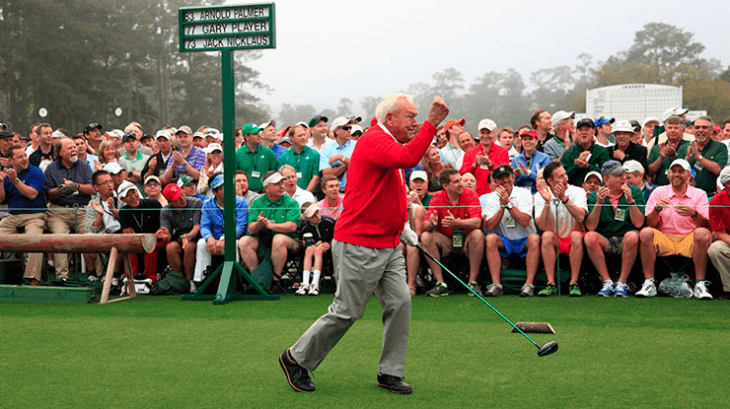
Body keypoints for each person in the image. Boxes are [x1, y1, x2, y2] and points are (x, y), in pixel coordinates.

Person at [279, 94, 448, 395]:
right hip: (359, 243)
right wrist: (432, 124)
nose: (415, 121)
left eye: (418, 117)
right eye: (410, 116)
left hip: (388, 242)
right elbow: (408, 158)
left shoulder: (386, 143)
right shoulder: (374, 139)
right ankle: (296, 358)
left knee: (400, 302)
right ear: (390, 119)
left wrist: (403, 225)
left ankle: (390, 372)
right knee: (347, 311)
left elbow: (392, 190)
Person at [636, 159, 712, 299]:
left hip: (689, 240)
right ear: (668, 174)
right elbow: (650, 224)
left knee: (702, 233)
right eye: (673, 171)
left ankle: (700, 284)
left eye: (681, 171)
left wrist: (694, 214)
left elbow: (706, 226)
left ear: (689, 175)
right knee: (646, 232)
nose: (676, 174)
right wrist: (657, 210)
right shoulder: (658, 192)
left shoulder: (699, 194)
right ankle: (649, 283)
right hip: (665, 239)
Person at [584, 161, 645, 297]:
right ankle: (607, 281)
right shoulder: (595, 196)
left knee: (632, 236)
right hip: (605, 238)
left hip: (626, 237)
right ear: (606, 180)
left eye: (624, 175)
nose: (623, 179)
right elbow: (591, 227)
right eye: (618, 176)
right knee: (590, 237)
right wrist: (599, 203)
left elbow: (639, 223)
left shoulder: (634, 192)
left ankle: (621, 282)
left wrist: (631, 202)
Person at [421, 169, 484, 297]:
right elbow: (425, 224)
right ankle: (440, 283)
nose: (461, 183)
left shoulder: (471, 194)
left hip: (467, 240)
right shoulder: (437, 198)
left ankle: (472, 282)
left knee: (477, 234)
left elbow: (477, 222)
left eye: (461, 180)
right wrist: (431, 223)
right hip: (447, 241)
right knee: (426, 236)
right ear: (445, 186)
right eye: (456, 181)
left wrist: (456, 223)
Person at [482, 165, 541, 297]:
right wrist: (502, 208)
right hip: (505, 240)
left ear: (513, 178)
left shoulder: (524, 193)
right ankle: (496, 284)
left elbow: (525, 221)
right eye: (500, 178)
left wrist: (508, 204)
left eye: (507, 176)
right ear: (495, 182)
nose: (504, 180)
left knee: (535, 239)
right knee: (490, 239)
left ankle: (529, 284)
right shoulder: (492, 198)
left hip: (525, 238)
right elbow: (490, 227)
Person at [44, 137, 95, 279]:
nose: (74, 150)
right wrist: (61, 190)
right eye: (70, 148)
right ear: (60, 153)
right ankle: (62, 276)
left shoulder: (85, 166)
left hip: (83, 210)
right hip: (59, 211)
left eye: (74, 147)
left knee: (89, 239)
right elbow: (48, 194)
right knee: (60, 239)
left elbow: (93, 189)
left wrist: (76, 186)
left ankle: (95, 274)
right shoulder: (51, 168)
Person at [240, 171, 301, 291]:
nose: (282, 186)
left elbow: (292, 226)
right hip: (264, 240)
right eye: (277, 183)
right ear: (267, 187)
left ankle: (275, 281)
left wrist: (270, 225)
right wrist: (259, 223)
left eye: (282, 182)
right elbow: (251, 229)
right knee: (244, 241)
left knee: (278, 239)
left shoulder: (291, 202)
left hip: (291, 242)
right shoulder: (257, 202)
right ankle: (258, 278)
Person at [534, 161, 588, 297]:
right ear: (550, 181)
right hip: (555, 238)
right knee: (546, 235)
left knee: (576, 235)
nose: (565, 179)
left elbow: (581, 217)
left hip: (573, 237)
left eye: (565, 175)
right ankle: (550, 283)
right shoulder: (541, 195)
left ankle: (574, 283)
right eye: (560, 177)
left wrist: (564, 198)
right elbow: (541, 225)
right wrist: (547, 202)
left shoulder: (578, 191)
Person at [0, 145, 48, 286]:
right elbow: (1, 200)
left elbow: (32, 194)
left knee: (34, 240)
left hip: (35, 215)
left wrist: (15, 180)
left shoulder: (36, 172)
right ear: (10, 160)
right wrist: (1, 182)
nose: (24, 159)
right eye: (20, 157)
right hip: (12, 216)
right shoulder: (6, 174)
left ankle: (33, 278)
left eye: (25, 155)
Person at [194, 174, 248, 283]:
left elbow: (240, 226)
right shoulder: (207, 204)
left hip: (234, 239)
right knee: (201, 243)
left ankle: (234, 281)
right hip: (214, 240)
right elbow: (204, 226)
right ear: (214, 192)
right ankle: (200, 281)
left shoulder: (241, 202)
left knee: (233, 245)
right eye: (223, 188)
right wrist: (209, 238)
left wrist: (224, 239)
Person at [157, 183, 203, 292]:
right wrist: (164, 235)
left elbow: (197, 226)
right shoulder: (165, 211)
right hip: (178, 236)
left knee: (189, 247)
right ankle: (178, 280)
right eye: (177, 198)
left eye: (182, 195)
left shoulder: (196, 203)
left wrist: (189, 236)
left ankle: (190, 282)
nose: (182, 199)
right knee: (170, 247)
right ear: (170, 202)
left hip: (195, 235)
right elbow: (167, 234)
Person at [117, 181, 164, 282]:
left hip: (158, 239)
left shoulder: (153, 204)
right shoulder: (124, 212)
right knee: (129, 248)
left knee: (149, 247)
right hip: (138, 240)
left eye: (134, 192)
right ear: (122, 199)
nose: (133, 197)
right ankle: (129, 279)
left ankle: (150, 279)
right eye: (128, 195)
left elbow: (164, 225)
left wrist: (158, 233)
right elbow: (128, 234)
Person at [677, 116, 727, 196]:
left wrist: (698, 156)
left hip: (710, 196)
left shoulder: (720, 147)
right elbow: (677, 172)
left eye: (704, 127)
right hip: (686, 196)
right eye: (697, 127)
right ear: (693, 130)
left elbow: (717, 170)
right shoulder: (684, 148)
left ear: (711, 130)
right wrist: (687, 158)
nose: (700, 130)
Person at [296, 203, 336, 296]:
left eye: (317, 212)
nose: (317, 216)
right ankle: (305, 283)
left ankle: (315, 283)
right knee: (309, 249)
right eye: (312, 215)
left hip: (328, 251)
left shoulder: (329, 221)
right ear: (307, 218)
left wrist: (329, 243)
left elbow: (336, 236)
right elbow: (302, 240)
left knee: (318, 249)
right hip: (313, 249)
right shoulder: (305, 226)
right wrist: (303, 243)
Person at [460, 118, 509, 195]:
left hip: (496, 194)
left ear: (494, 133)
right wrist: (474, 165)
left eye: (488, 133)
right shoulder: (470, 152)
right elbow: (462, 174)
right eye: (482, 133)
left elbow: (506, 174)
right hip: (474, 195)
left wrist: (490, 164)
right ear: (478, 134)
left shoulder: (502, 151)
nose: (485, 136)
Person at [560, 118, 610, 186]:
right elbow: (562, 178)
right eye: (580, 130)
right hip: (574, 192)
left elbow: (607, 175)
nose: (584, 133)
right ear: (577, 132)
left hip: (596, 192)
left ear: (593, 131)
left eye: (587, 130)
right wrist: (575, 166)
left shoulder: (602, 151)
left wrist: (588, 166)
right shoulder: (569, 154)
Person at [646, 115, 692, 187]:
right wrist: (661, 158)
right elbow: (650, 173)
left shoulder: (689, 147)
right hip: (661, 188)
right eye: (670, 128)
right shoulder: (656, 148)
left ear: (683, 130)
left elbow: (692, 170)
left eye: (676, 128)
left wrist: (674, 157)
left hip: (683, 188)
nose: (672, 130)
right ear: (665, 129)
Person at [707, 166, 730, 300]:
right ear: (728, 183)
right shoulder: (717, 201)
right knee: (716, 249)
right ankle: (729, 289)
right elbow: (720, 232)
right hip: (728, 238)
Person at [235, 122, 278, 192]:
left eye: (258, 133)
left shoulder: (268, 152)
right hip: (245, 194)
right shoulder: (237, 154)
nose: (259, 136)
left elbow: (275, 173)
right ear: (247, 137)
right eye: (255, 134)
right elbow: (233, 176)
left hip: (265, 194)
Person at [277, 124, 321, 193]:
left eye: (304, 135)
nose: (303, 137)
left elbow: (316, 178)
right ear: (291, 138)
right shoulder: (283, 157)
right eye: (300, 135)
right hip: (289, 197)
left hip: (309, 196)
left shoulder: (315, 155)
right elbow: (280, 179)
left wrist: (305, 195)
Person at [319, 116, 357, 193]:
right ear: (337, 131)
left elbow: (358, 168)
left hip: (355, 192)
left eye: (350, 128)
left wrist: (341, 158)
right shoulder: (327, 150)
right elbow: (326, 175)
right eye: (346, 128)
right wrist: (345, 165)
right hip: (336, 194)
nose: (349, 131)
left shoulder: (358, 146)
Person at [511, 129, 551, 194]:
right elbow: (512, 184)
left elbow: (545, 181)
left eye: (530, 139)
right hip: (521, 197)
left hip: (539, 195)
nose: (527, 141)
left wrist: (528, 173)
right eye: (525, 139)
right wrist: (516, 177)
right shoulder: (516, 159)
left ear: (536, 141)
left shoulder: (544, 158)